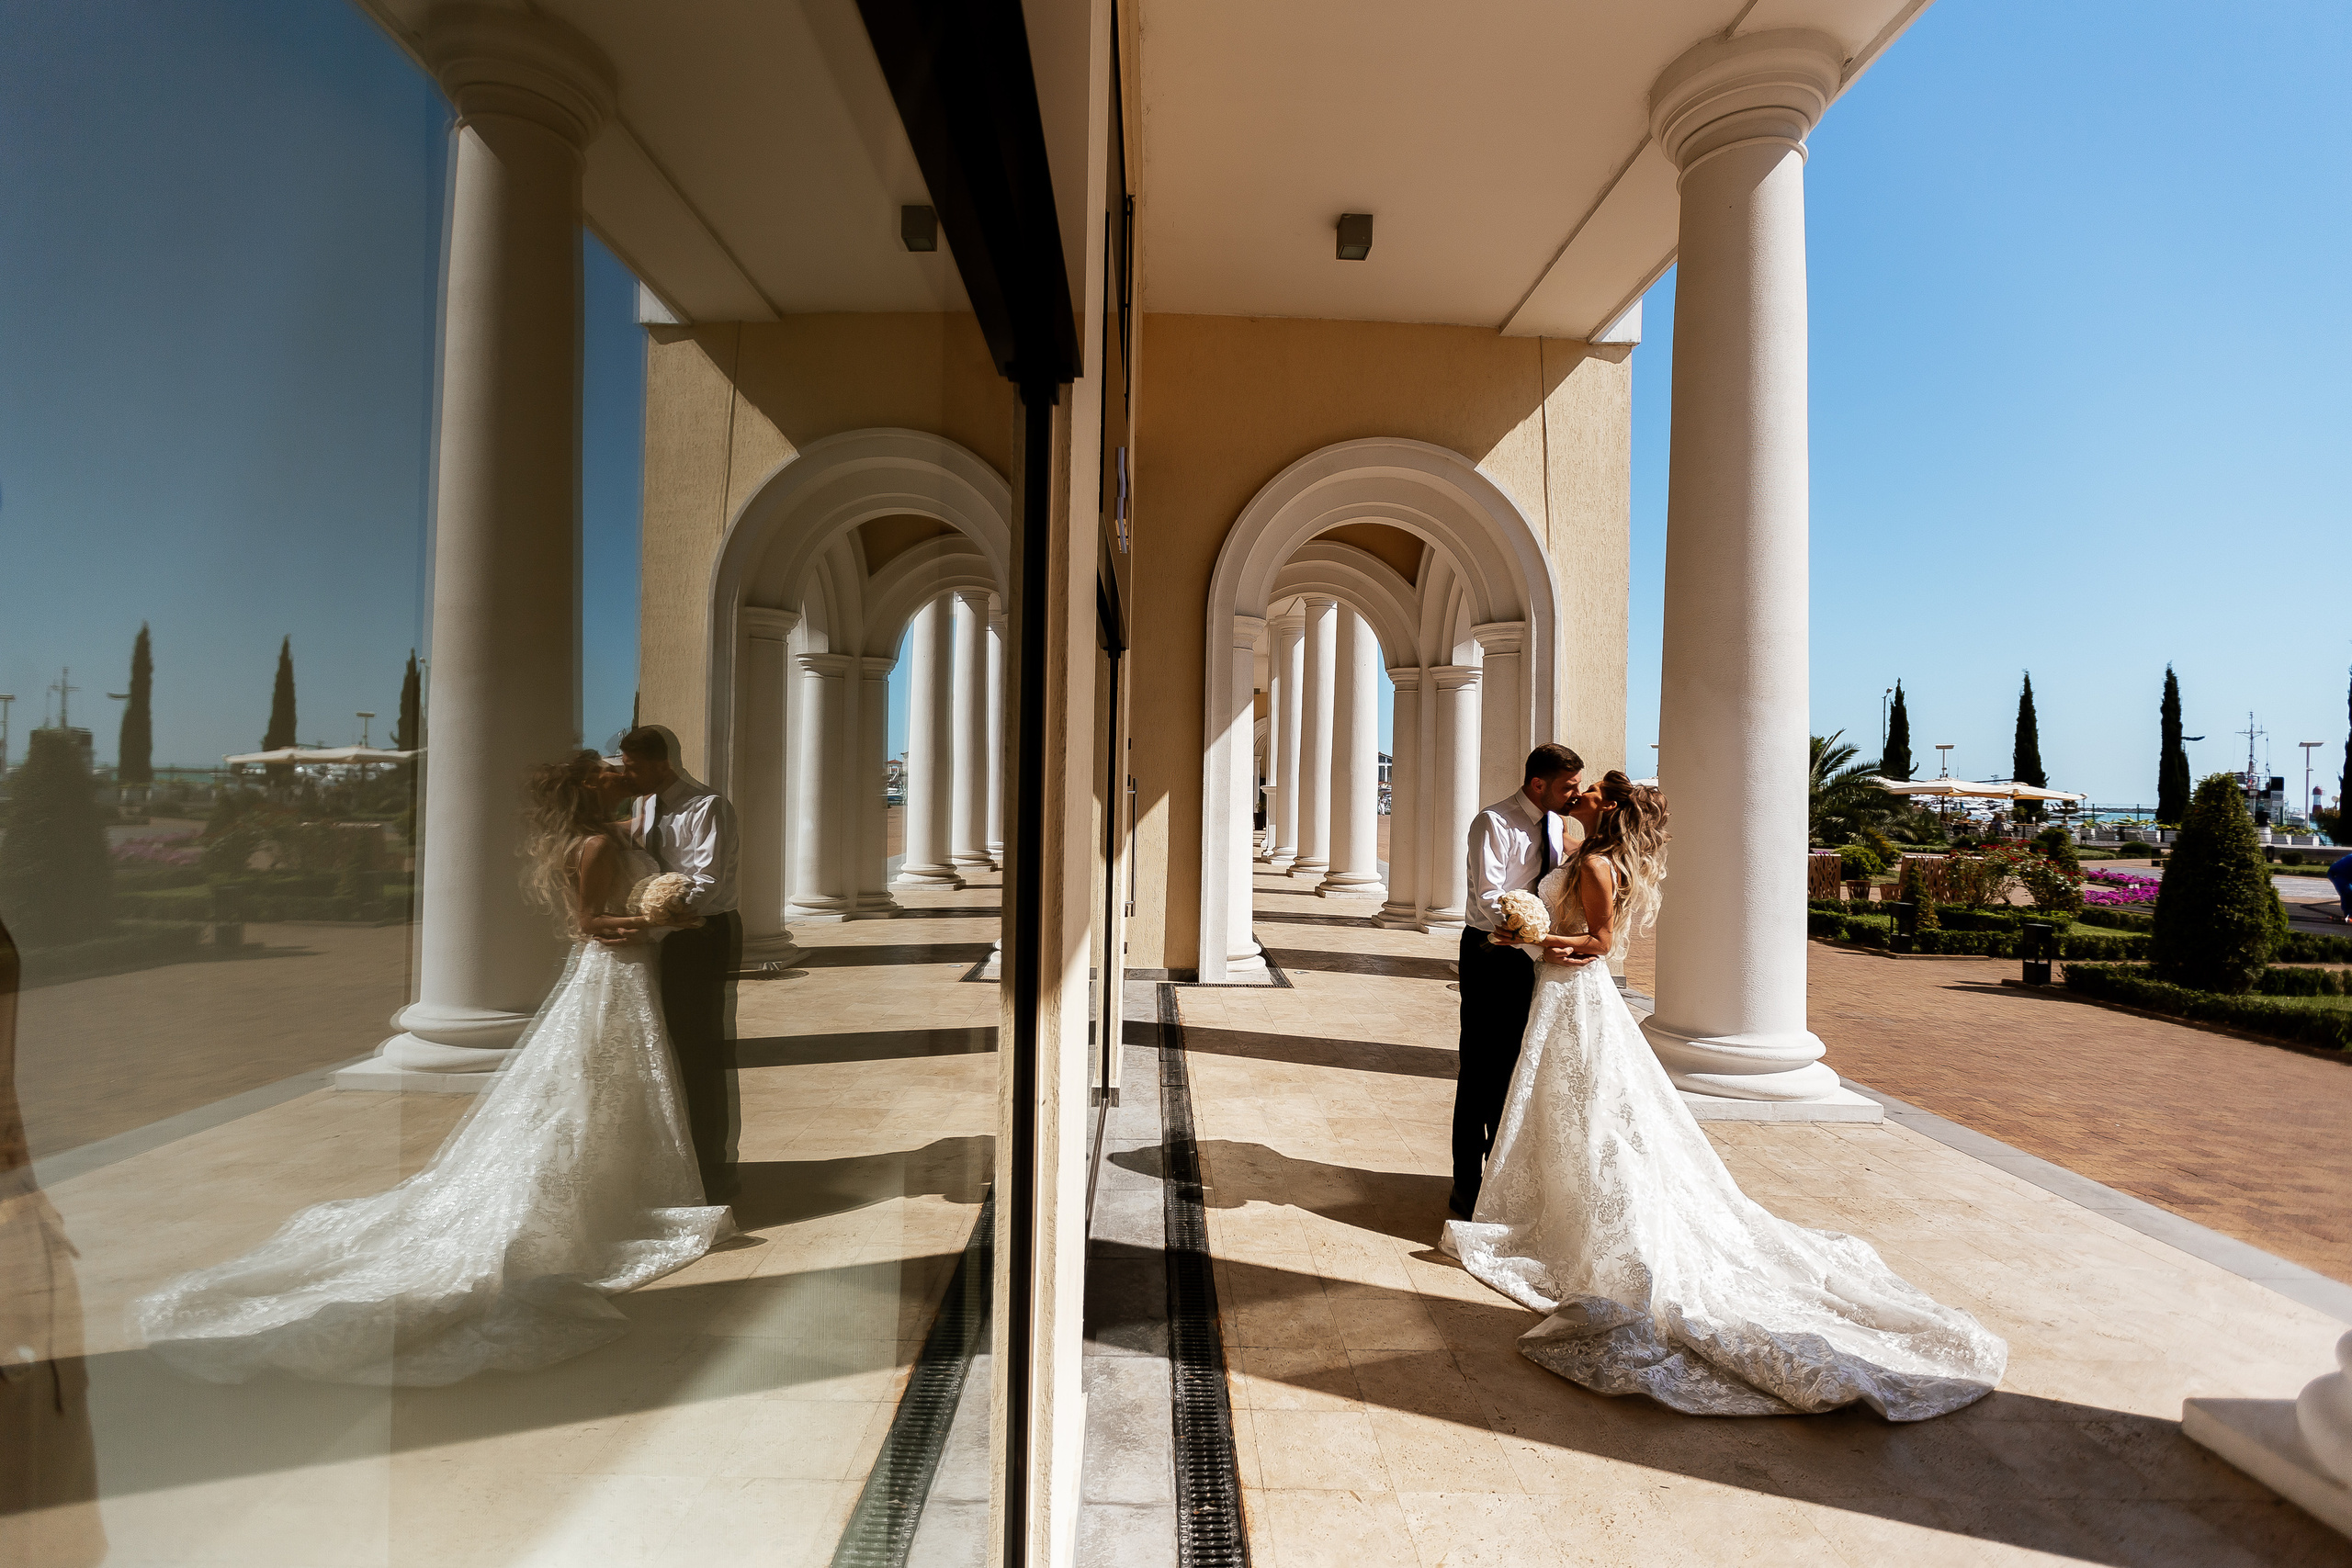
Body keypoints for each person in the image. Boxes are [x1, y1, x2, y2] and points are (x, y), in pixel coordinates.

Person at [131, 752, 730, 1385]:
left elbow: (655, 841)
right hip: (615, 970)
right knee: (591, 1085)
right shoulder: (597, 845)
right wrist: (656, 918)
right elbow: (587, 923)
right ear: (589, 783)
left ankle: (622, 1179)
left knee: (605, 1085)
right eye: (607, 767)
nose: (618, 770)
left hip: (632, 968)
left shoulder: (615, 832)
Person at [1445, 772, 2007, 1420]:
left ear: (1611, 807)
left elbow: (1599, 944)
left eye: (1594, 789)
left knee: (1592, 1112)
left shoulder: (1596, 864)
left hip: (1574, 994)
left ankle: (1592, 1217)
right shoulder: (1581, 849)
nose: (1584, 793)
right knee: (1570, 1110)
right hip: (1557, 993)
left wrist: (1534, 938)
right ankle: (1557, 1195)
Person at [1452, 742, 1589, 1220]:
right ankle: (1466, 1187)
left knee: (1516, 1069)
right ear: (1537, 783)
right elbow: (1490, 898)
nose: (1575, 794)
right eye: (1568, 786)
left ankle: (1504, 1179)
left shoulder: (1554, 823)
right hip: (1491, 954)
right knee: (1480, 1069)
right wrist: (1539, 945)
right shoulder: (1493, 822)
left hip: (1534, 956)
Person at [617, 726, 744, 1202]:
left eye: (634, 767)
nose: (628, 776)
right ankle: (679, 1157)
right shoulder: (645, 804)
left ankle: (713, 1165)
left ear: (662, 763)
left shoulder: (708, 806)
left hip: (703, 932)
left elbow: (707, 880)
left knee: (701, 1048)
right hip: (665, 932)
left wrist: (652, 921)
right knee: (668, 1044)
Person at [2330, 850, 2352, 922]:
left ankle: (2349, 915)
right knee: (2348, 893)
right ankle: (2348, 916)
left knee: (2348, 893)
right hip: (2338, 875)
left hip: (2345, 875)